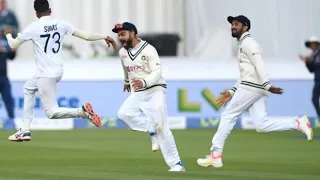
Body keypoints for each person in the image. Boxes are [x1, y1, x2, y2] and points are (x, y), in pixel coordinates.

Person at [197, 15, 313, 168]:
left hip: (252, 87)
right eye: (232, 24)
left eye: (236, 24)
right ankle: (298, 123)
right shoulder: (243, 44)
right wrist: (232, 92)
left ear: (245, 27)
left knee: (228, 115)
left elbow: (259, 65)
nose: (233, 26)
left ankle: (215, 155)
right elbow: (246, 73)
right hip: (254, 87)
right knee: (261, 125)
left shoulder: (249, 43)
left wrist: (267, 85)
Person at [5, 0, 117, 142]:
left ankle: (82, 112)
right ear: (50, 10)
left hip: (45, 73)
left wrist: (8, 35)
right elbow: (86, 36)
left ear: (36, 13)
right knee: (28, 87)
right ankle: (24, 129)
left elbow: (13, 45)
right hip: (57, 71)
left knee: (51, 113)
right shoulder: (62, 24)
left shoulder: (33, 27)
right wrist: (104, 36)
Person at [112, 22, 185, 172]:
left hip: (155, 90)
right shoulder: (122, 52)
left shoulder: (149, 49)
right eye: (118, 35)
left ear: (132, 33)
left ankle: (176, 164)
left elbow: (157, 72)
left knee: (161, 127)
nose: (120, 38)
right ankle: (149, 127)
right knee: (124, 114)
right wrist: (126, 81)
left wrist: (144, 82)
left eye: (123, 34)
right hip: (138, 92)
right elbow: (125, 68)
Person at [0, 0, 19, 119]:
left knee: (8, 99)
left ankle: (11, 121)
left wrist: (13, 47)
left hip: (3, 75)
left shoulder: (4, 45)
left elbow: (11, 56)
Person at [299, 36, 320, 117]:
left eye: (312, 44)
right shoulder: (313, 55)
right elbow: (312, 70)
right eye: (311, 44)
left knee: (314, 99)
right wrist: (307, 62)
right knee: (314, 99)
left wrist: (310, 61)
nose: (311, 46)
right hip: (317, 80)